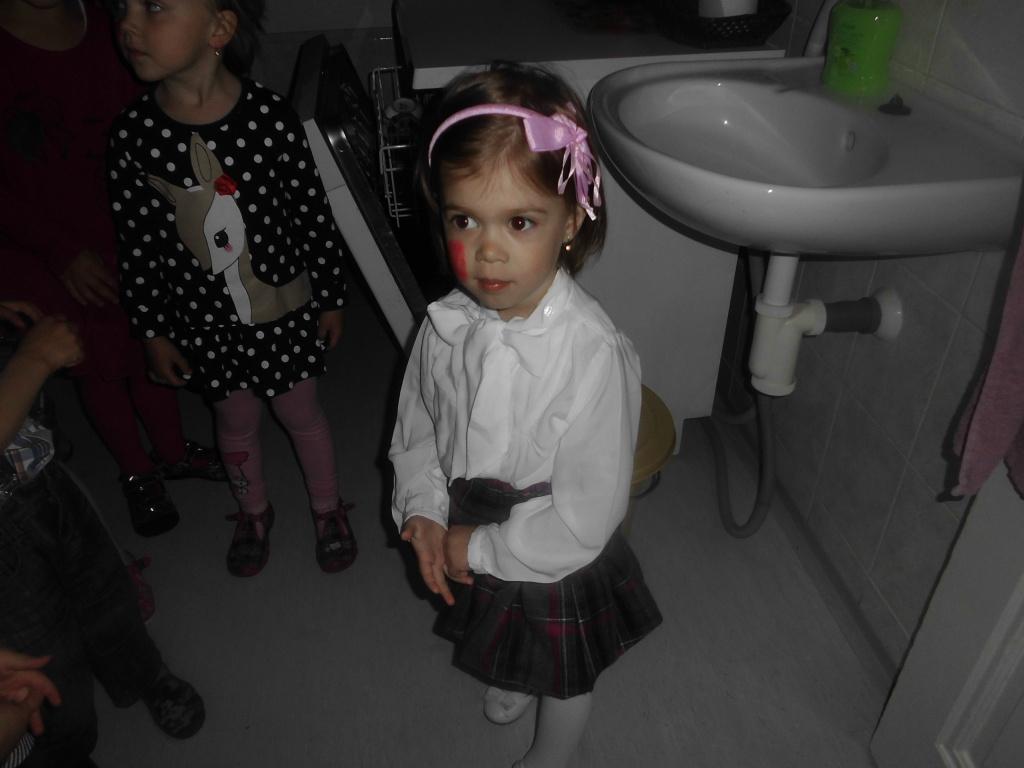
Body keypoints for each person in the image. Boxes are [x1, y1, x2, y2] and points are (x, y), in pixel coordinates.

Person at [389, 62, 663, 768]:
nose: (487, 250)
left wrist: (478, 549)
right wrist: (423, 509)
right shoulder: (444, 326)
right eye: (464, 219)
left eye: (519, 221)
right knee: (503, 627)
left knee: (564, 669)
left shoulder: (592, 354)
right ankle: (514, 671)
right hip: (470, 511)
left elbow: (585, 514)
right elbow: (417, 429)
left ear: (570, 219)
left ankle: (553, 756)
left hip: (555, 538)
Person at [107, 0, 356, 577]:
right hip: (204, 322)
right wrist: (152, 330)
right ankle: (253, 510)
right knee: (235, 420)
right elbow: (135, 244)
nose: (128, 24)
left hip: (282, 311)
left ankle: (327, 508)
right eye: (123, 7)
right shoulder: (132, 135)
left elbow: (311, 212)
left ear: (218, 27)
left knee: (301, 412)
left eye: (154, 7)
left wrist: (331, 294)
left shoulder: (268, 116)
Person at [0, 0, 225, 539]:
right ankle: (136, 470)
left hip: (121, 220)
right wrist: (59, 251)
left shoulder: (111, 21)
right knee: (95, 359)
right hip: (41, 243)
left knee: (147, 335)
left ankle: (171, 449)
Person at [0, 300, 205, 768]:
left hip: (38, 473)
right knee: (44, 660)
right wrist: (34, 359)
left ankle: (143, 673)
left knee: (106, 591)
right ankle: (69, 748)